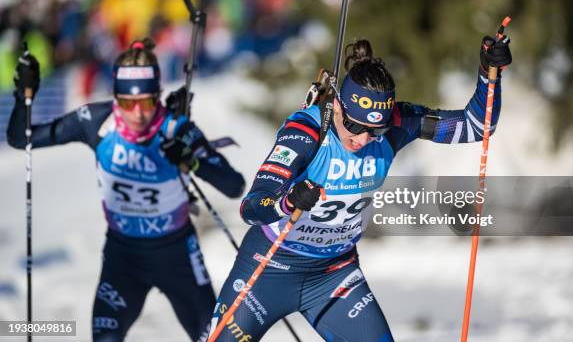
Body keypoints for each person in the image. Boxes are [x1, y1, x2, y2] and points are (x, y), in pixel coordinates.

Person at [206, 35, 511, 341]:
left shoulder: (397, 124)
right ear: (337, 105)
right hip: (270, 267)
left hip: (334, 274)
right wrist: (285, 203)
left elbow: (476, 126)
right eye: (354, 125)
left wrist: (488, 74)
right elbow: (252, 207)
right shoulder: (308, 130)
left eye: (375, 129)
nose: (363, 139)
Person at [7, 38, 245, 341]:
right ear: (115, 97)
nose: (138, 113)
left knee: (215, 338)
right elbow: (22, 138)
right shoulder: (97, 121)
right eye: (126, 102)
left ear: (158, 96)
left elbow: (234, 185)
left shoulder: (176, 129)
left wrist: (190, 160)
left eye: (146, 102)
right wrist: (23, 96)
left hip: (177, 255)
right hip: (124, 257)